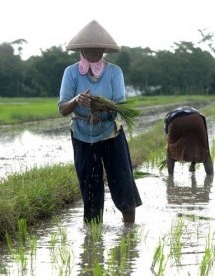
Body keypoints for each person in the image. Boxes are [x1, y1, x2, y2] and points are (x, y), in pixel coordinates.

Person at [58, 20, 142, 224]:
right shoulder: (71, 72)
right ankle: (93, 236)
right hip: (81, 133)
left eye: (99, 49)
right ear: (82, 49)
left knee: (122, 180)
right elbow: (62, 108)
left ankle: (129, 232)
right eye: (90, 48)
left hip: (110, 132)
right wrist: (77, 100)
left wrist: (101, 105)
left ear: (104, 50)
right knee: (90, 185)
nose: (95, 52)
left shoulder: (114, 72)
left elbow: (119, 104)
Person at [164, 106, 214, 175]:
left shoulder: (169, 116)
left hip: (176, 121)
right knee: (202, 149)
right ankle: (210, 177)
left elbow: (167, 135)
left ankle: (170, 176)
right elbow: (193, 145)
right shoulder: (195, 112)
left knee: (170, 151)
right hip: (196, 119)